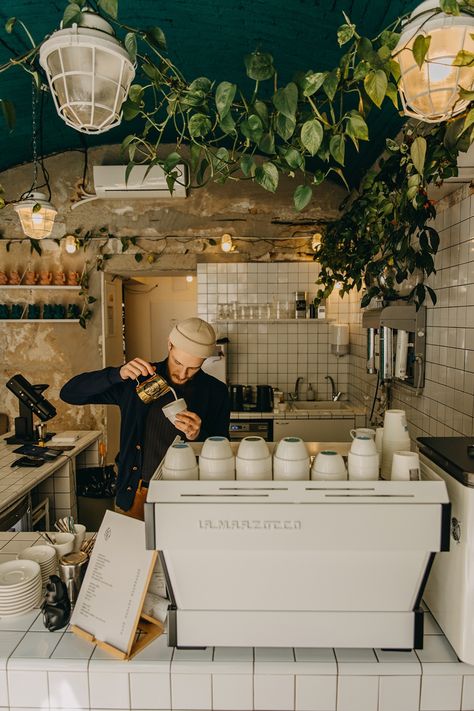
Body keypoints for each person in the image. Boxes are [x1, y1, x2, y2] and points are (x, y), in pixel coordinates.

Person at [60, 317, 230, 519]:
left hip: (187, 494)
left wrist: (199, 435)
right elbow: (70, 393)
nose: (183, 373)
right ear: (169, 345)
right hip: (137, 491)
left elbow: (223, 448)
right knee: (133, 550)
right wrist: (117, 374)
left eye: (193, 367)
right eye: (178, 362)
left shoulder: (215, 391)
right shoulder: (139, 379)